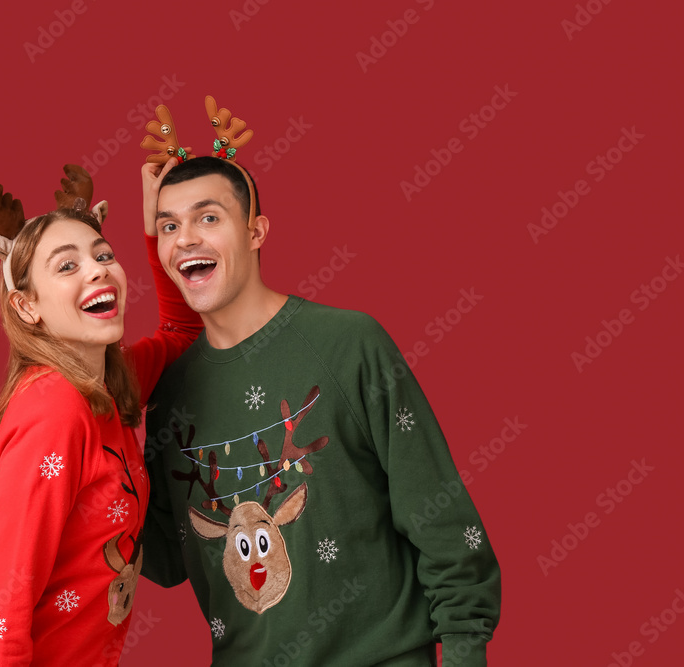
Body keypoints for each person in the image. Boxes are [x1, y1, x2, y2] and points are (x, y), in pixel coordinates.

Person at [138, 99, 501, 667]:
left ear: (256, 231)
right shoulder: (168, 395)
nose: (185, 238)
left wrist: (462, 649)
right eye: (169, 226)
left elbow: (442, 518)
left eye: (208, 218)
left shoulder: (349, 344)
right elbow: (161, 559)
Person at [0, 163, 201, 666]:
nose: (97, 270)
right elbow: (5, 604)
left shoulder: (111, 380)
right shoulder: (53, 412)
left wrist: (156, 227)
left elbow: (183, 334)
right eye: (66, 266)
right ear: (27, 307)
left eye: (104, 254)